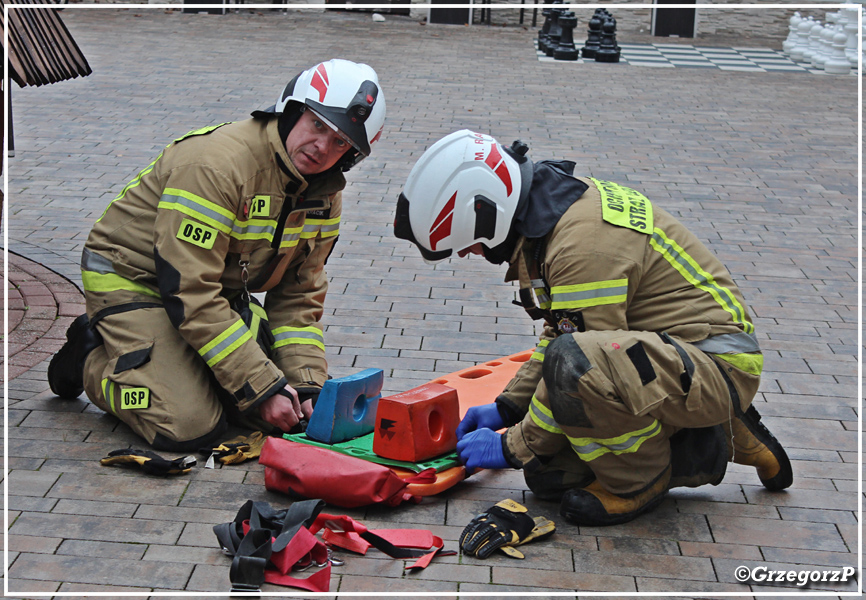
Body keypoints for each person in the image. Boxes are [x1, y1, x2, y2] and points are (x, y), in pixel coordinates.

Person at [394, 130, 792, 526]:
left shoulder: (581, 246)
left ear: (487, 211)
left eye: (468, 243)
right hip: (671, 360)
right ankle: (714, 437)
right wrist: (507, 406)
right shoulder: (553, 214)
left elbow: (579, 364)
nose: (469, 253)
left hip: (717, 365)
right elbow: (561, 333)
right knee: (550, 477)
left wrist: (511, 446)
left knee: (566, 387)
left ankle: (641, 481)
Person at [48, 59, 386, 452]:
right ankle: (90, 357)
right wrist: (262, 386)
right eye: (318, 126)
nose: (322, 148)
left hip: (210, 292)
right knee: (187, 425)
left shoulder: (325, 196)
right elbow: (189, 291)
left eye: (341, 142)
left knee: (278, 413)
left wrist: (307, 385)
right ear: (294, 110)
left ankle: (179, 365)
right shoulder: (218, 165)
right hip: (134, 281)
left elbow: (298, 297)